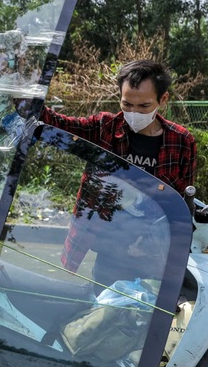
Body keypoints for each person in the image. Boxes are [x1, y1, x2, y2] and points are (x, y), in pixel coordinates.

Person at [38, 60, 196, 285]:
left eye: (143, 106)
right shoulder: (105, 127)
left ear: (163, 100)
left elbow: (181, 203)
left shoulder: (181, 141)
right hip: (110, 247)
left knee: (149, 311)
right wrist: (26, 97)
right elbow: (56, 123)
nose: (134, 113)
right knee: (104, 304)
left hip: (153, 251)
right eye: (127, 104)